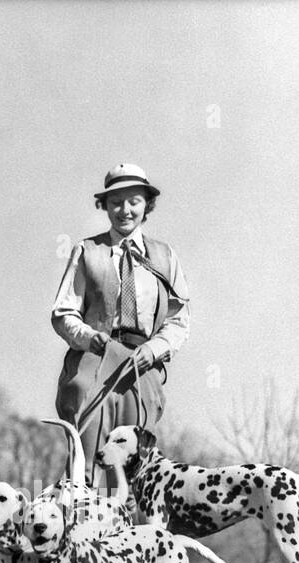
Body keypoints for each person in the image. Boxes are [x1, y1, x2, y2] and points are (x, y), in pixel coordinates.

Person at [51, 163, 190, 491]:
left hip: (141, 364)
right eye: (116, 202)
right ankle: (81, 513)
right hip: (95, 358)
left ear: (147, 205)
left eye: (133, 201)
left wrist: (154, 350)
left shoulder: (164, 256)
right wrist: (89, 337)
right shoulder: (87, 251)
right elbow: (63, 312)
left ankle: (128, 528)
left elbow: (179, 318)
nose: (124, 210)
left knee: (134, 461)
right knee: (87, 440)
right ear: (105, 205)